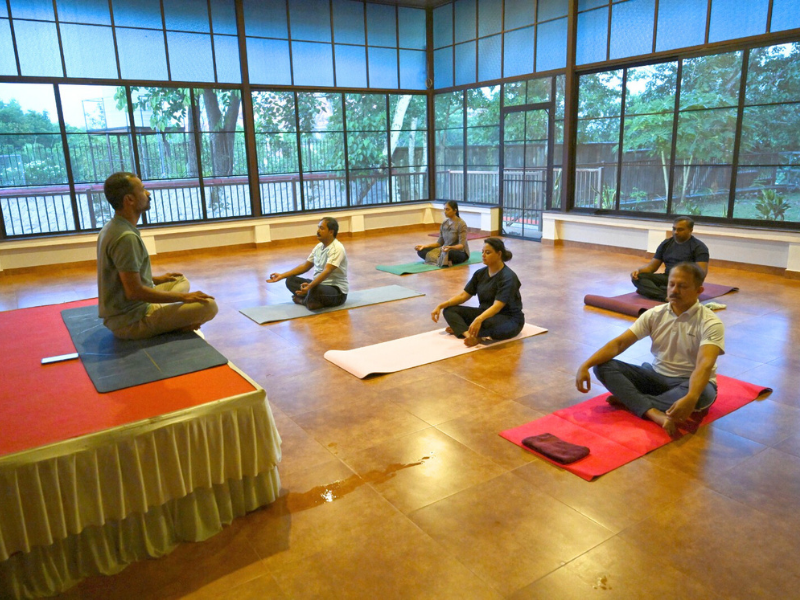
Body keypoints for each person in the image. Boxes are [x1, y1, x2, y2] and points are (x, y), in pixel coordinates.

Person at [576, 262, 725, 437]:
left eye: (682, 286)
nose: (674, 290)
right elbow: (619, 343)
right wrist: (585, 365)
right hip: (656, 377)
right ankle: (652, 411)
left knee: (702, 395)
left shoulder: (710, 322)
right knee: (603, 366)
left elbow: (705, 364)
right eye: (671, 284)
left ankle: (631, 400)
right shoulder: (654, 314)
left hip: (689, 383)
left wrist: (691, 397)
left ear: (699, 291)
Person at [97, 172, 218, 339]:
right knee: (209, 306)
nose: (148, 193)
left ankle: (169, 315)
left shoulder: (113, 227)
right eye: (143, 189)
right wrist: (184, 297)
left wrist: (156, 279)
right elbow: (134, 292)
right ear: (129, 200)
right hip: (131, 321)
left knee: (179, 280)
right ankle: (174, 324)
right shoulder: (126, 237)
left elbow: (122, 277)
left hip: (126, 311)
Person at [431, 238, 524, 347]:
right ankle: (469, 335)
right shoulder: (480, 274)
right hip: (485, 313)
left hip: (509, 319)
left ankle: (469, 331)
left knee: (487, 323)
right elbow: (463, 296)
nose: (483, 255)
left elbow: (497, 307)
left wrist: (479, 319)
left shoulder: (508, 277)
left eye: (488, 252)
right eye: (482, 252)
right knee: (449, 310)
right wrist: (441, 305)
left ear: (499, 254)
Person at [267, 217, 348, 310]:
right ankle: (311, 299)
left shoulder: (337, 248)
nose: (318, 231)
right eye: (318, 228)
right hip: (318, 286)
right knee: (290, 280)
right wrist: (282, 276)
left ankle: (304, 301)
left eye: (322, 228)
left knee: (315, 289)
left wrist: (310, 286)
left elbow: (327, 271)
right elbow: (305, 266)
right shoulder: (318, 247)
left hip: (337, 292)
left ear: (331, 232)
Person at [631, 216, 709, 301]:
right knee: (639, 277)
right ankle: (666, 297)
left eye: (680, 229)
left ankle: (653, 291)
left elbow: (701, 274)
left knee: (677, 286)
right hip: (668, 278)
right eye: (674, 229)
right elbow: (652, 267)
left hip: (686, 281)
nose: (676, 232)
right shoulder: (666, 244)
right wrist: (638, 271)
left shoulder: (699, 247)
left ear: (690, 230)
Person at [414, 200, 470, 266]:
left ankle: (439, 259)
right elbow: (439, 243)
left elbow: (461, 246)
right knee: (421, 251)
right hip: (444, 250)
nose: (445, 212)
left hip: (459, 252)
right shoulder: (444, 224)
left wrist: (450, 247)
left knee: (448, 253)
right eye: (444, 209)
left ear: (455, 211)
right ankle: (443, 260)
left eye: (447, 209)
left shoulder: (461, 224)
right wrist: (424, 246)